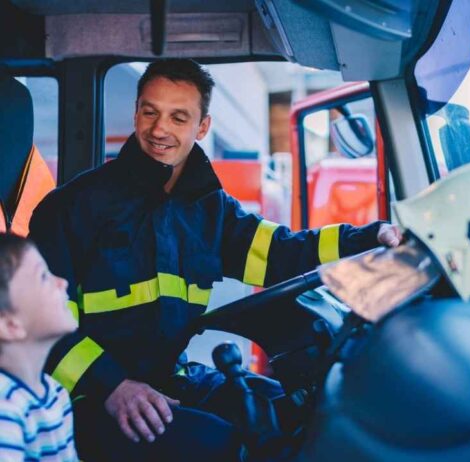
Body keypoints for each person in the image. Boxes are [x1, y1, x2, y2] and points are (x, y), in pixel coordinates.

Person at [29, 58, 401, 460]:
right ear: (137, 112)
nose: (159, 129)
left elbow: (282, 252)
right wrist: (112, 386)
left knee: (298, 415)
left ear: (202, 127)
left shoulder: (209, 209)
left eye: (178, 117)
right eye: (150, 112)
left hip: (174, 381)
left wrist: (369, 237)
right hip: (96, 397)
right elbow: (41, 327)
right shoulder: (70, 208)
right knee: (227, 447)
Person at [0, 233, 78, 461]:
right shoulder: (5, 409)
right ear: (9, 324)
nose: (62, 282)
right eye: (43, 276)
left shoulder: (56, 394)